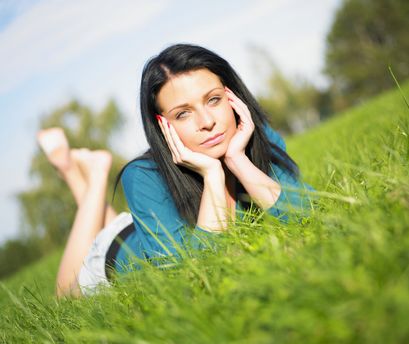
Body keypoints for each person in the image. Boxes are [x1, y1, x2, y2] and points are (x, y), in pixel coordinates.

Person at [40, 43, 316, 298]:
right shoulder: (143, 175)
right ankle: (85, 172)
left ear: (233, 97)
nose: (207, 122)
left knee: (119, 223)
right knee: (65, 295)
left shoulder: (258, 137)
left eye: (213, 100)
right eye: (183, 114)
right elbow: (191, 274)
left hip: (148, 226)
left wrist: (238, 161)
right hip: (114, 255)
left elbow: (307, 215)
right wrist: (212, 175)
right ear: (162, 126)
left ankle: (85, 170)